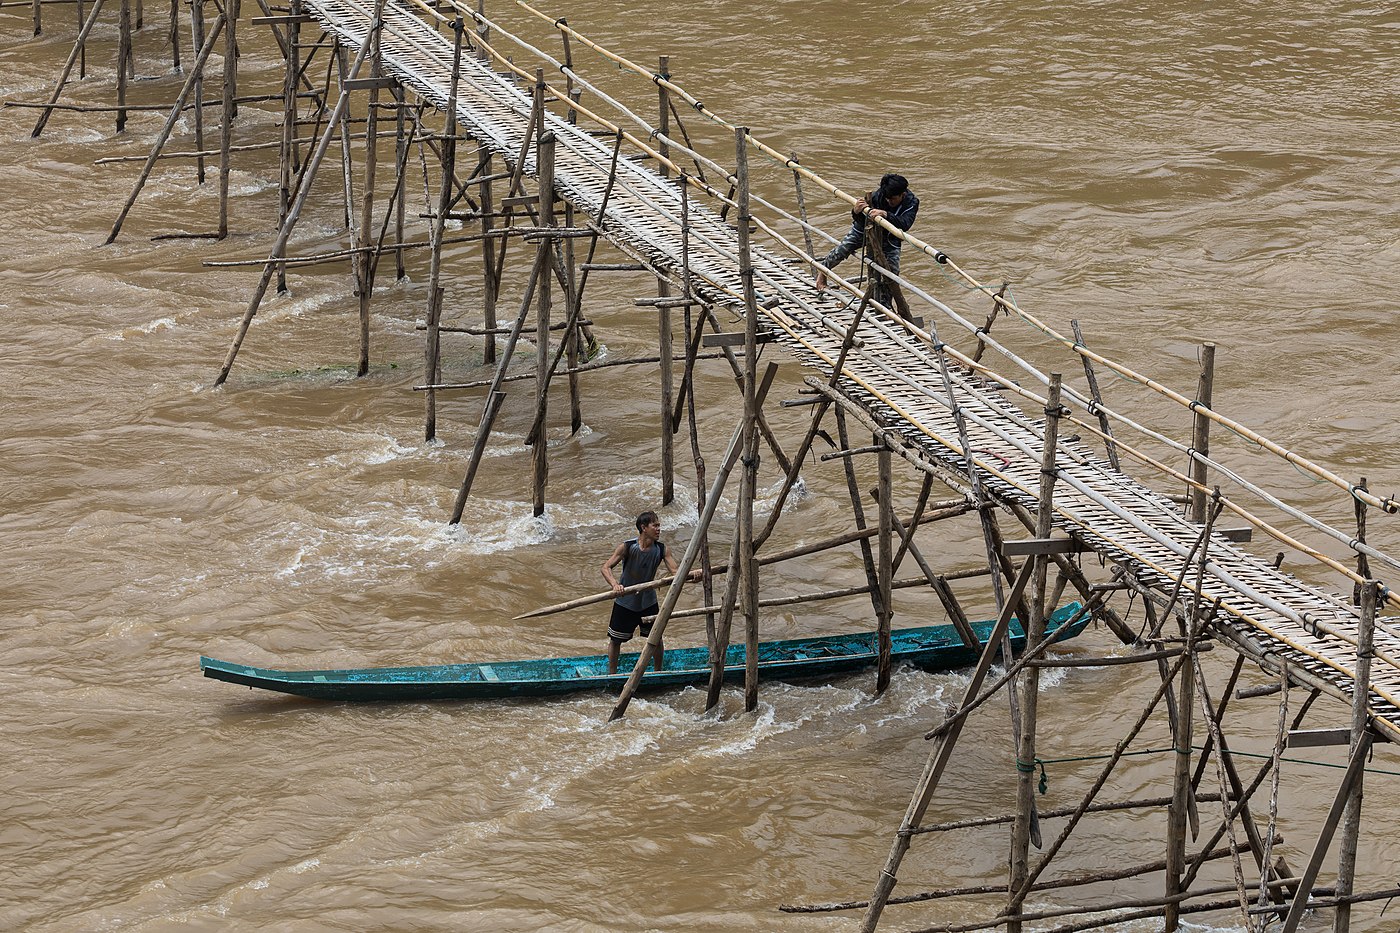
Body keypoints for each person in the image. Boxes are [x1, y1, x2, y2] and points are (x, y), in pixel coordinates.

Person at [814, 173, 919, 298]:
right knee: (843, 249)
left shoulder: (911, 203)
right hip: (864, 229)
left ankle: (885, 305)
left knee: (892, 272)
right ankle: (823, 274)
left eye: (893, 199)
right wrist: (856, 211)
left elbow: (905, 224)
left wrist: (886, 214)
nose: (889, 201)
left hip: (890, 237)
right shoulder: (877, 196)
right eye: (887, 198)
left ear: (903, 194)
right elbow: (859, 219)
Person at [601, 511, 681, 675]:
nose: (659, 529)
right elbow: (605, 567)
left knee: (656, 639)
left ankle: (658, 672)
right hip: (625, 601)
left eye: (659, 525)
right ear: (644, 528)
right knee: (616, 640)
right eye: (655, 525)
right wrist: (615, 585)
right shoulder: (628, 547)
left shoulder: (662, 549)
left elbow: (676, 571)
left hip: (648, 602)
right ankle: (612, 674)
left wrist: (692, 575)